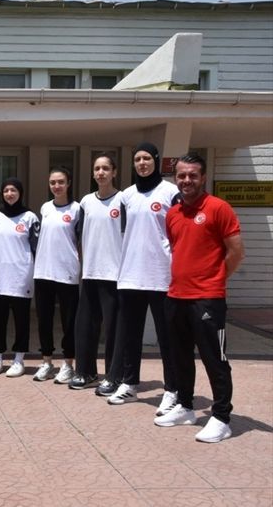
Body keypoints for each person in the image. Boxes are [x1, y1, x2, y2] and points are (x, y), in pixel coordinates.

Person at [155, 154, 244, 443]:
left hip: (207, 299)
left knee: (215, 359)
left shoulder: (218, 208)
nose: (187, 180)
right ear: (175, 178)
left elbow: (236, 251)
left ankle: (221, 418)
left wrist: (216, 279)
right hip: (176, 296)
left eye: (193, 175)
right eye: (182, 175)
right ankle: (185, 406)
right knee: (179, 356)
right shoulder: (173, 213)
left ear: (203, 177)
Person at [107, 143, 179, 414]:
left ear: (156, 160)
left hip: (161, 276)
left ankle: (172, 390)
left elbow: (178, 234)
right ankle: (129, 384)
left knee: (167, 337)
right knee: (130, 336)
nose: (142, 163)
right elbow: (124, 233)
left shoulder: (171, 192)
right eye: (137, 159)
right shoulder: (126, 196)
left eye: (147, 158)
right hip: (130, 276)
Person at [70, 155, 122, 391]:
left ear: (114, 172)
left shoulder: (122, 200)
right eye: (97, 169)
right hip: (90, 273)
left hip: (114, 274)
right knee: (85, 326)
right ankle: (85, 372)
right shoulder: (86, 202)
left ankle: (114, 375)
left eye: (105, 168)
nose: (101, 173)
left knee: (113, 329)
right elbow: (80, 236)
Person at [32, 167, 82, 384]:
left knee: (68, 321)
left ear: (68, 183)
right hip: (43, 271)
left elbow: (81, 241)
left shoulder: (77, 209)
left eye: (61, 182)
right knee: (44, 319)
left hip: (67, 272)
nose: (57, 186)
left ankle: (68, 363)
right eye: (53, 182)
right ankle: (47, 362)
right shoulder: (45, 208)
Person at [0, 178, 39, 378]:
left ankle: (18, 359)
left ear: (20, 193)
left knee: (21, 320)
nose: (9, 194)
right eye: (6, 190)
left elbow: (36, 247)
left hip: (21, 276)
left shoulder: (30, 217)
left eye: (14, 190)